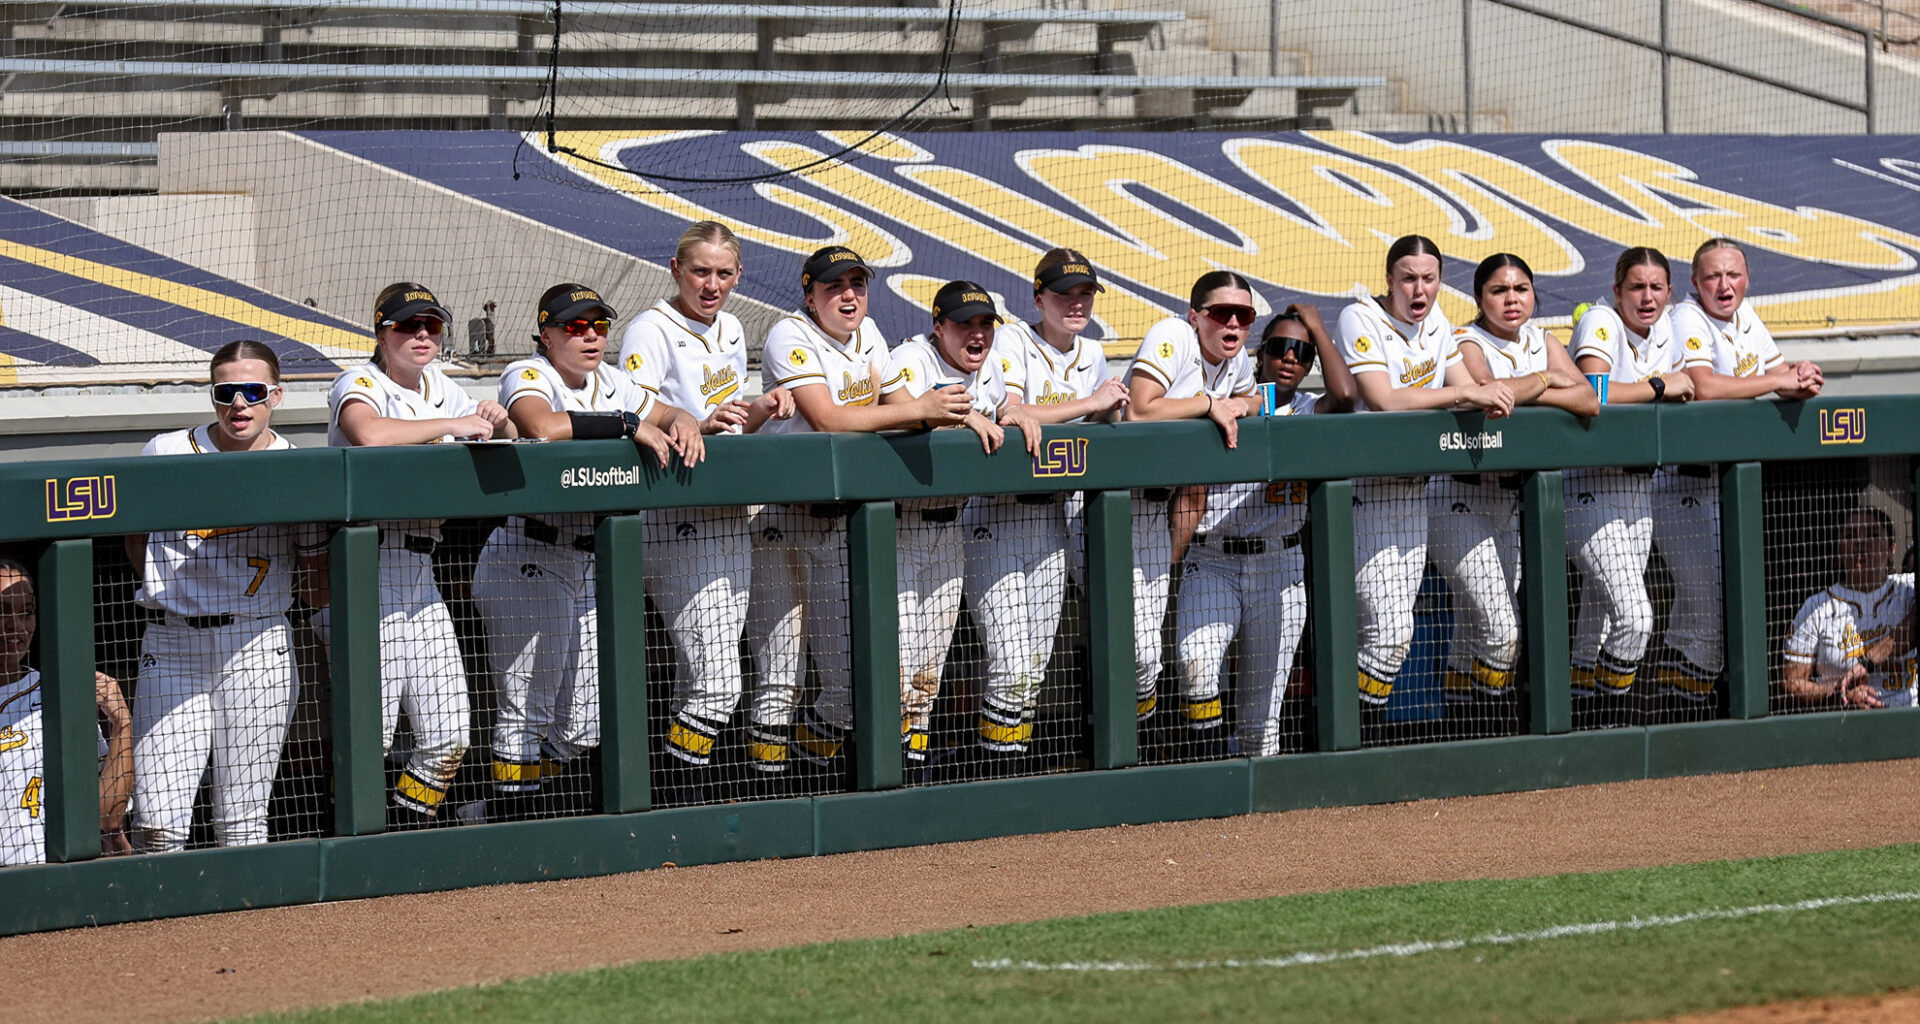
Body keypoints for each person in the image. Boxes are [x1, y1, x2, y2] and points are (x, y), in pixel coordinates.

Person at [745, 246, 971, 788]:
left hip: (840, 526)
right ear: (809, 294)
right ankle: (766, 800)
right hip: (780, 523)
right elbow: (827, 418)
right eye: (833, 286)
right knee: (780, 681)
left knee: (854, 684)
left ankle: (809, 779)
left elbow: (903, 403)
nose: (848, 294)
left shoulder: (869, 335)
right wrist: (921, 410)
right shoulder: (789, 333)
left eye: (857, 284)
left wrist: (974, 418)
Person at [474, 283, 702, 819]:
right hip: (526, 554)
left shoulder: (611, 380)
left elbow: (667, 413)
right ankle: (515, 828)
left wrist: (685, 420)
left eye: (599, 326)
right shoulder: (529, 373)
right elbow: (540, 426)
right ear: (547, 335)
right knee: (525, 711)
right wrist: (625, 424)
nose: (591, 336)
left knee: (583, 722)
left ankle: (497, 811)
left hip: (586, 561)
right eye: (576, 327)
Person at [124, 340, 329, 851]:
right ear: (213, 396)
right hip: (172, 646)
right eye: (226, 392)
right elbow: (134, 538)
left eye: (253, 391)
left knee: (241, 822)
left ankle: (242, 933)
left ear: (276, 396)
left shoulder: (294, 465)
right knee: (157, 824)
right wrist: (170, 589)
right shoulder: (166, 450)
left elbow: (315, 570)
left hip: (256, 645)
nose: (239, 403)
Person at [618, 222, 794, 805]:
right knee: (720, 683)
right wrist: (680, 419)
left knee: (699, 677)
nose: (711, 284)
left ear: (738, 276)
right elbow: (629, 400)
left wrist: (760, 408)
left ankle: (685, 795)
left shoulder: (734, 326)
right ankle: (671, 799)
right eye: (700, 271)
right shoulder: (651, 326)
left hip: (728, 517)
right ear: (675, 268)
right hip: (676, 517)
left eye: (723, 273)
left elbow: (730, 421)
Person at [327, 283, 511, 827]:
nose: (423, 335)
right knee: (372, 734)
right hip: (367, 565)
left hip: (421, 568)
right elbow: (367, 432)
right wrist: (453, 425)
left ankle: (409, 831)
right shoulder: (359, 381)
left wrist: (497, 421)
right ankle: (351, 840)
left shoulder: (440, 385)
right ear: (382, 333)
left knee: (450, 732)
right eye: (409, 325)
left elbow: (509, 434)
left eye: (432, 325)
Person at [1332, 235, 1514, 730]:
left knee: (1396, 635)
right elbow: (1384, 400)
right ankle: (1345, 745)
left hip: (1414, 495)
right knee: (1385, 632)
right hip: (1364, 495)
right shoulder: (1359, 316)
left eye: (1429, 278)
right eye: (1408, 278)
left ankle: (1365, 741)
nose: (1419, 289)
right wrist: (1463, 393)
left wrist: (1469, 392)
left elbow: (1465, 387)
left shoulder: (1435, 320)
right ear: (1389, 279)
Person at [970, 248, 1129, 770]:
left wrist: (1112, 410)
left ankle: (1010, 770)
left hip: (1053, 521)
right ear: (1039, 297)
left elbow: (1106, 429)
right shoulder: (1013, 338)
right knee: (1009, 663)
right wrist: (1090, 404)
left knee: (1033, 668)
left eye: (1085, 293)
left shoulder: (1094, 354)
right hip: (996, 519)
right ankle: (992, 777)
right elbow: (1012, 411)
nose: (1076, 303)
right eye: (1064, 293)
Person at [1173, 305, 1355, 758]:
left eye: (1302, 352)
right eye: (1280, 348)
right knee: (1196, 665)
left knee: (1261, 720)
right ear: (1261, 353)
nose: (1290, 358)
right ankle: (1208, 776)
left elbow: (1347, 395)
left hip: (1280, 563)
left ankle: (1258, 829)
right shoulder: (1230, 399)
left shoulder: (1311, 409)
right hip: (1213, 557)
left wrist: (1316, 325)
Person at [1658, 238, 1826, 705]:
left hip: (1721, 484)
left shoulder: (1747, 316)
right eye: (1712, 276)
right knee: (1712, 614)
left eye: (1732, 274)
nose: (1724, 284)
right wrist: (1779, 380)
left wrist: (1801, 375)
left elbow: (1776, 371)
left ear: (1747, 279)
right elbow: (1705, 385)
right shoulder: (1687, 316)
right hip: (1678, 483)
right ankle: (1691, 724)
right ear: (1695, 283)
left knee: (1694, 618)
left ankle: (1676, 717)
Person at [884, 281, 1040, 779]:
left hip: (949, 532)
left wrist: (1012, 410)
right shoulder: (912, 355)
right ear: (938, 325)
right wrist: (972, 415)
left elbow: (1003, 406)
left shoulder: (990, 366)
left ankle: (915, 774)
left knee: (929, 673)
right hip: (898, 531)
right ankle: (880, 781)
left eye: (984, 324)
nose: (976, 335)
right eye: (963, 324)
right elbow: (909, 408)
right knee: (898, 669)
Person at [1435, 255, 1598, 710]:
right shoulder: (1464, 338)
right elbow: (1492, 392)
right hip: (1459, 496)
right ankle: (1490, 736)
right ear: (1478, 298)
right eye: (1499, 290)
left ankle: (1461, 738)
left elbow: (1589, 399)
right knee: (1502, 630)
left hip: (1511, 502)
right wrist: (1548, 378)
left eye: (1521, 289)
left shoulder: (1541, 337)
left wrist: (1532, 387)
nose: (1512, 299)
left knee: (1473, 630)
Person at [1124, 270, 1265, 742]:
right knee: (1132, 649)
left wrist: (1240, 405)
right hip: (1105, 508)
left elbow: (1253, 398)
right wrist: (1208, 403)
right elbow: (1140, 410)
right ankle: (1111, 760)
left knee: (1143, 656)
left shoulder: (1236, 359)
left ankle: (1135, 755)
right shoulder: (1174, 336)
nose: (1231, 324)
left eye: (1242, 316)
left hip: (1155, 514)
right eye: (1220, 313)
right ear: (1194, 315)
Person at [1566, 247, 1695, 708]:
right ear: (1617, 290)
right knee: (1636, 617)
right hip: (1586, 487)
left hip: (1638, 489)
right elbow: (1593, 390)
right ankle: (1611, 723)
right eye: (1636, 287)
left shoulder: (1666, 330)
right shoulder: (1601, 320)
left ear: (1669, 291)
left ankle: (1587, 726)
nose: (1646, 297)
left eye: (1656, 287)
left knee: (1598, 622)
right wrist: (1660, 386)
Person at [0, 558, 133, 866]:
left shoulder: (58, 693)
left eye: (27, 612)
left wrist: (122, 724)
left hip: (47, 876)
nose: (16, 626)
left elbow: (107, 820)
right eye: (2, 610)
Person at [1782, 506, 1916, 709]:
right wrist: (1839, 692)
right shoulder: (1816, 608)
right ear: (1839, 549)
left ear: (1892, 550)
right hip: (1846, 726)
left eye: (1872, 534)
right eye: (1849, 535)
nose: (1860, 542)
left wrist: (1868, 661)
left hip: (1910, 719)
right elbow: (1791, 683)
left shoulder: (1909, 589)